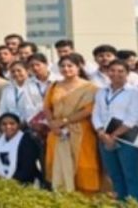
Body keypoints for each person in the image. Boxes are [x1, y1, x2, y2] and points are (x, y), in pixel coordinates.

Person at [44, 55, 100, 194]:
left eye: (70, 66)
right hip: (57, 132)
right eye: (63, 66)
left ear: (78, 67)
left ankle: (85, 199)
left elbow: (88, 110)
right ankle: (62, 197)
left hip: (82, 131)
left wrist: (64, 121)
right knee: (59, 165)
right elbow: (47, 107)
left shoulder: (90, 88)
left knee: (83, 164)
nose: (66, 69)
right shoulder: (54, 86)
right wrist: (52, 124)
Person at [91, 60, 138, 206]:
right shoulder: (102, 92)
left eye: (121, 71)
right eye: (112, 70)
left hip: (127, 139)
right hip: (104, 138)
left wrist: (113, 136)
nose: (116, 74)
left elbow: (134, 117)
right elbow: (96, 114)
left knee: (131, 176)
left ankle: (134, 204)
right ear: (108, 72)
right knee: (115, 176)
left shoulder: (134, 92)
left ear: (128, 73)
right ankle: (121, 203)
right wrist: (101, 133)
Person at [0, 112, 43, 185]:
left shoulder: (27, 141)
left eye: (12, 123)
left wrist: (11, 182)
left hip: (23, 184)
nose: (8, 126)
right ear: (0, 126)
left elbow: (28, 167)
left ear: (18, 125)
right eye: (4, 124)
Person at [0, 60, 43, 127]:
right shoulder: (7, 89)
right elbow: (2, 109)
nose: (16, 73)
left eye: (19, 71)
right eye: (13, 71)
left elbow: (40, 108)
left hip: (32, 125)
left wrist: (29, 122)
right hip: (11, 126)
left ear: (27, 71)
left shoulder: (35, 86)